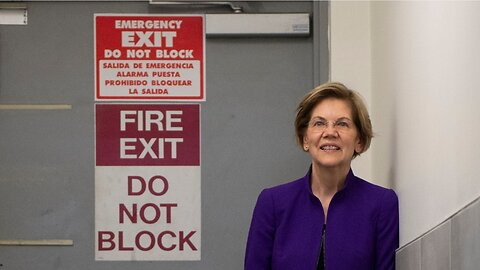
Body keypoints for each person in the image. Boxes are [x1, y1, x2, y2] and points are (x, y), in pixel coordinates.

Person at [244, 82, 399, 270]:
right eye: (319, 123)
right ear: (305, 139)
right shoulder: (272, 203)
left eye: (342, 124)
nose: (330, 132)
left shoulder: (382, 204)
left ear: (359, 140)